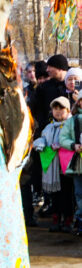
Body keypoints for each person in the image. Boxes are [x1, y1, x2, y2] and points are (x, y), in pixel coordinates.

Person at [33, 96, 74, 232]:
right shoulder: (49, 127)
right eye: (55, 109)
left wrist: (62, 145)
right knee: (54, 195)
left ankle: (68, 221)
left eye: (61, 108)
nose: (58, 112)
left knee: (67, 195)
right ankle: (56, 220)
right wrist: (41, 143)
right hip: (52, 166)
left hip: (66, 167)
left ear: (68, 110)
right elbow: (42, 139)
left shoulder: (72, 124)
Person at [59, 94, 82, 236]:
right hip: (77, 164)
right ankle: (80, 221)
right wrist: (73, 145)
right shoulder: (72, 121)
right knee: (79, 193)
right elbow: (63, 138)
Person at [31, 54, 68, 135]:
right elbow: (37, 110)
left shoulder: (76, 84)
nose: (47, 70)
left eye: (50, 67)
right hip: (49, 132)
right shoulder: (43, 88)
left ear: (59, 68)